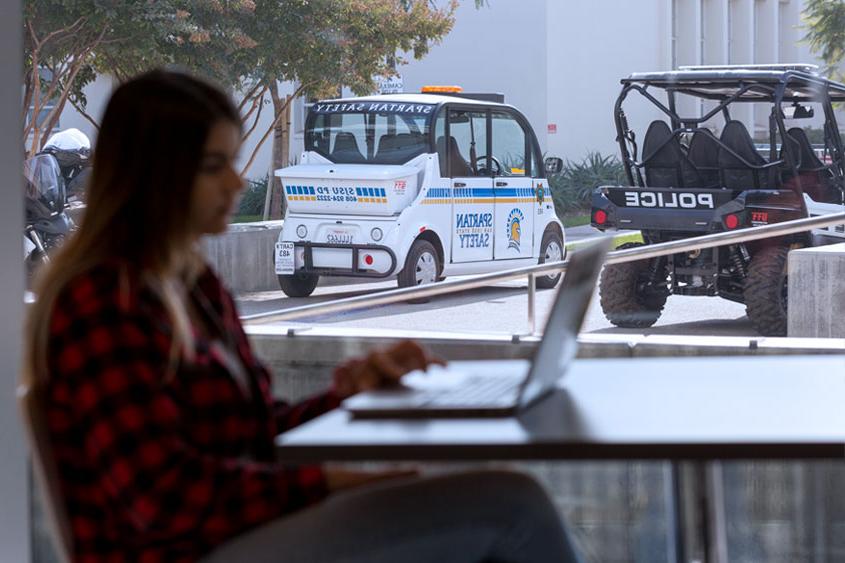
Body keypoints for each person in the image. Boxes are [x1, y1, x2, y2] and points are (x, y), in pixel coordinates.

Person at [24, 69, 582, 563]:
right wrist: (323, 483)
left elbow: (254, 431)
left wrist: (349, 392)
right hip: (190, 549)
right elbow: (160, 496)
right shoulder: (102, 302)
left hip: (236, 532)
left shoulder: (190, 286)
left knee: (496, 504)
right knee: (511, 506)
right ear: (155, 173)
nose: (238, 183)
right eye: (214, 166)